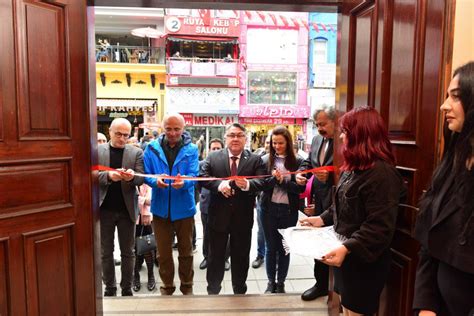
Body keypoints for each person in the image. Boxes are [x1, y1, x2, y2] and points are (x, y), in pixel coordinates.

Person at [299, 106, 405, 315]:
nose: (341, 136)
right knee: (346, 310)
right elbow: (342, 204)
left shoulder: (382, 174)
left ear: (361, 135)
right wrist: (320, 219)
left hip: (363, 262)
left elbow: (378, 227)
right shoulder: (355, 168)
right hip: (347, 257)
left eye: (345, 131)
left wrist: (347, 248)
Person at [413, 61, 474, 316]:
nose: (444, 105)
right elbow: (430, 240)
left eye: (455, 97)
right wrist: (426, 306)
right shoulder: (453, 160)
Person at [200, 123, 266, 295]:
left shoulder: (254, 159)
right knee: (215, 257)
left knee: (241, 257)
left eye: (239, 135)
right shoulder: (213, 157)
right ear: (225, 138)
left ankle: (239, 290)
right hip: (217, 218)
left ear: (245, 138)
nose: (235, 138)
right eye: (231, 135)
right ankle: (213, 290)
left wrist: (248, 185)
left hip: (242, 219)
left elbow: (263, 181)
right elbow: (202, 177)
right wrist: (220, 185)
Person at [143, 113, 199, 296]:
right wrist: (154, 181)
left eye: (177, 129)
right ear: (162, 128)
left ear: (183, 128)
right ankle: (167, 287)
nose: (173, 133)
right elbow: (146, 174)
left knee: (186, 252)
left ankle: (187, 287)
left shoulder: (191, 149)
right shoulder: (151, 148)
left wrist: (185, 182)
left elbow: (194, 175)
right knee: (163, 253)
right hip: (160, 209)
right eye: (168, 129)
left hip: (184, 208)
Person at [98, 118, 144, 297]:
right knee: (105, 251)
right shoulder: (97, 150)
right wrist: (109, 176)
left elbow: (141, 178)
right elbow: (89, 174)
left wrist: (131, 178)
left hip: (127, 209)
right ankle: (109, 287)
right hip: (104, 208)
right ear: (110, 132)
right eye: (118, 134)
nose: (122, 138)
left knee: (128, 251)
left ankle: (127, 288)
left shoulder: (136, 152)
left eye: (126, 135)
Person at [295, 106, 336, 301]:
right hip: (318, 201)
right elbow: (309, 163)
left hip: (337, 201)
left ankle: (334, 289)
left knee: (335, 244)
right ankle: (320, 284)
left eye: (323, 124)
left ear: (335, 121)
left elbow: (349, 170)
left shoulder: (344, 142)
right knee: (318, 244)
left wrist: (330, 175)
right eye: (317, 124)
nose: (319, 128)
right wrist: (302, 173)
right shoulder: (317, 140)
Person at [260, 126, 305, 293]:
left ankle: (281, 282)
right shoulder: (264, 160)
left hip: (288, 210)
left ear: (288, 142)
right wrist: (274, 180)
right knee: (270, 247)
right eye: (274, 143)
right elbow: (262, 186)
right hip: (268, 209)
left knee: (285, 247)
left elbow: (299, 189)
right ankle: (271, 282)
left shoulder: (298, 162)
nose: (277, 146)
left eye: (280, 143)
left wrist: (281, 181)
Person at [198, 138, 230, 271]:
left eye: (218, 148)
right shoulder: (202, 164)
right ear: (208, 150)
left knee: (226, 232)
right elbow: (199, 184)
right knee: (207, 232)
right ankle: (207, 256)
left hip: (224, 205)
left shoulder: (227, 165)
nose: (216, 151)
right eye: (213, 148)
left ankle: (225, 258)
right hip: (207, 204)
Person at [252, 134, 271, 269]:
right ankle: (260, 255)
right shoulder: (260, 159)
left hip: (281, 203)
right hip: (263, 201)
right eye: (269, 142)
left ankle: (276, 257)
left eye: (274, 142)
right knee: (262, 231)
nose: (270, 145)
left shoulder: (290, 160)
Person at [132, 184, 156, 292]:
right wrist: (144, 200)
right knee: (133, 249)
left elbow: (151, 200)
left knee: (148, 247)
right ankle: (135, 277)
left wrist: (141, 200)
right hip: (132, 217)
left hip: (147, 217)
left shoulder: (148, 177)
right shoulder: (133, 180)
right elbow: (132, 198)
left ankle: (151, 276)